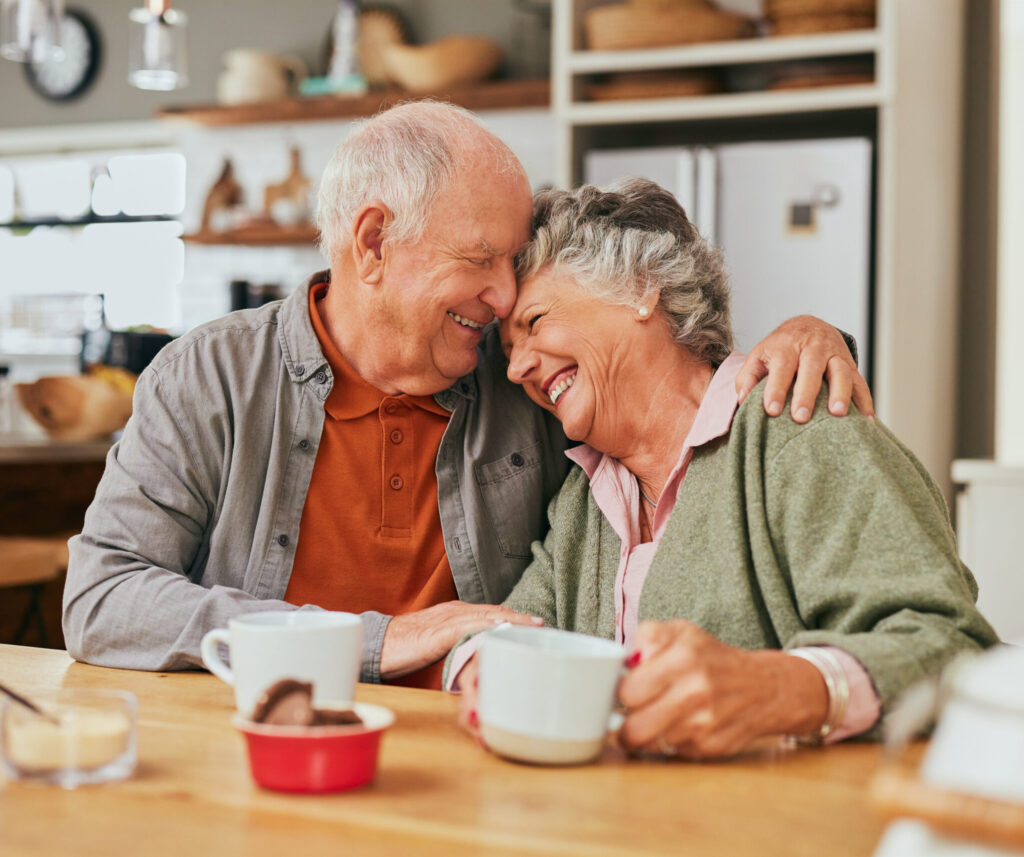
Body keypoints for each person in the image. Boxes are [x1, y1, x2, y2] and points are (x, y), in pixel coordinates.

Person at [63, 102, 872, 689]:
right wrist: (367, 641)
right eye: (483, 258)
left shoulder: (521, 377)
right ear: (374, 241)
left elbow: (667, 375)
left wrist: (807, 332)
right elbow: (102, 598)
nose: (503, 295)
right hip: (262, 753)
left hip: (470, 766)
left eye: (515, 266)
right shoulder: (209, 377)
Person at [450, 178, 997, 753]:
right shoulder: (585, 498)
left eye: (535, 323)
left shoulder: (796, 431)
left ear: (641, 289)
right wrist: (479, 666)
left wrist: (783, 689)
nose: (516, 371)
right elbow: (515, 629)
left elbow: (952, 645)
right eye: (508, 355)